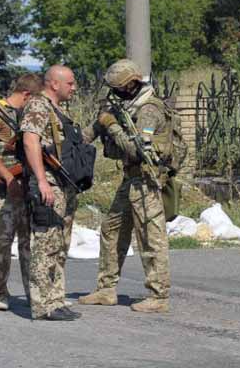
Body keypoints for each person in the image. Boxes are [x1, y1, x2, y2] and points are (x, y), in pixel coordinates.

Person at [78, 59, 172, 313]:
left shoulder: (148, 110)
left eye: (117, 87)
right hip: (131, 180)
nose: (113, 93)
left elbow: (137, 149)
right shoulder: (124, 105)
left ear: (130, 84)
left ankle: (158, 294)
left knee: (151, 237)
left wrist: (112, 125)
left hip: (147, 182)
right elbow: (88, 133)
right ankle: (106, 289)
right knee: (112, 230)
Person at [21, 65, 82, 321]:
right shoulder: (38, 105)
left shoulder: (58, 110)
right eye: (70, 83)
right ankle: (42, 305)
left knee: (59, 245)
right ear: (54, 84)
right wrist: (42, 180)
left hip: (64, 186)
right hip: (48, 186)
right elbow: (29, 140)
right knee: (45, 245)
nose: (74, 87)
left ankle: (56, 300)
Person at [0, 73, 43, 311]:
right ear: (27, 95)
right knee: (4, 242)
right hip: (7, 190)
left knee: (30, 244)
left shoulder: (27, 115)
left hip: (29, 188)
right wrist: (8, 177)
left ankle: (34, 294)